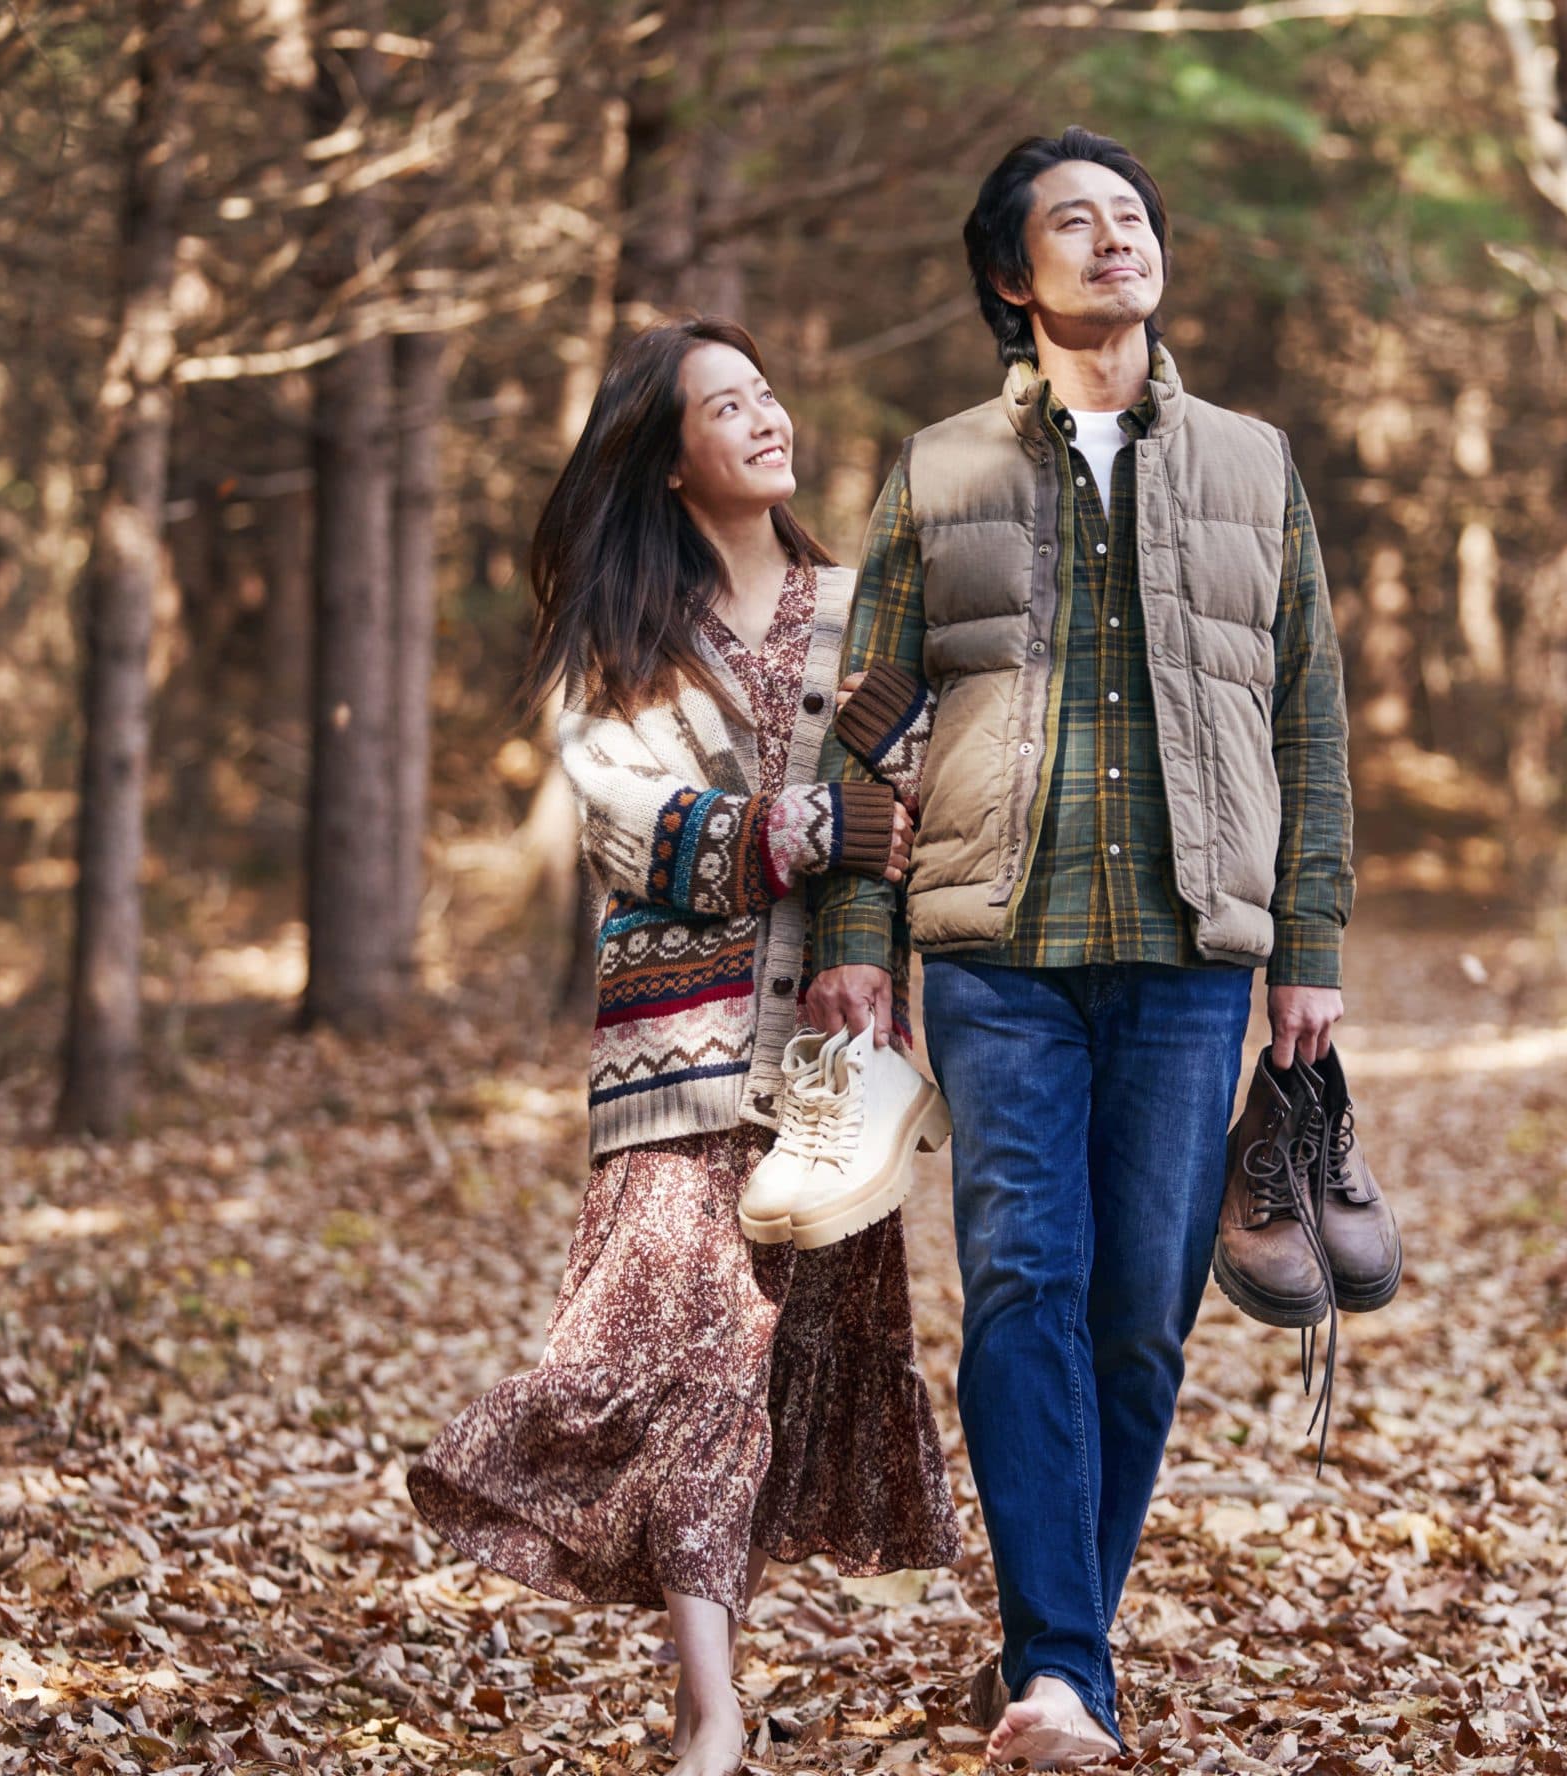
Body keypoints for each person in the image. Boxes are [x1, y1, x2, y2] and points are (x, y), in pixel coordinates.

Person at [810, 128, 1357, 1768]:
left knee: (1139, 1314)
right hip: (997, 950)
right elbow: (870, 729)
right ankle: (1062, 1669)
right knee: (1023, 1287)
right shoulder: (940, 470)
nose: (1116, 241)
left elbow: (1309, 719)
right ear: (1010, 273)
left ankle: (1062, 1654)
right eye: (1076, 221)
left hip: (1191, 951)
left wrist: (1308, 941)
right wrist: (854, 932)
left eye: (1132, 217)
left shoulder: (1257, 466)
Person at [410, 318, 959, 1776]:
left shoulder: (865, 607)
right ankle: (712, 1706)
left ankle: (714, 1673)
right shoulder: (621, 646)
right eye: (729, 406)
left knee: (792, 1363)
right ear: (667, 462)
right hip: (679, 1052)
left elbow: (894, 795)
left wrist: (857, 932)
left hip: (838, 1065)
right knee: (697, 1357)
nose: (767, 419)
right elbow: (621, 823)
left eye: (768, 393)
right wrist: (789, 826)